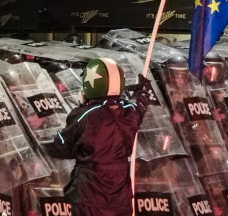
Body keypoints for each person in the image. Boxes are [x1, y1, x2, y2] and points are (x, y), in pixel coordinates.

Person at [46, 57, 153, 216]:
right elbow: (141, 105)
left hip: (89, 197)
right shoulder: (130, 111)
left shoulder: (85, 116)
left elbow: (61, 148)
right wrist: (142, 90)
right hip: (120, 197)